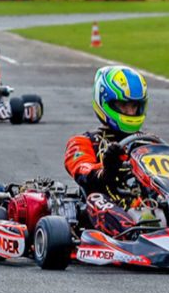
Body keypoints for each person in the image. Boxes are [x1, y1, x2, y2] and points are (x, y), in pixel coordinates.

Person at [64, 65, 151, 237]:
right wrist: (107, 168)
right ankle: (132, 234)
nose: (130, 111)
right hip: (106, 204)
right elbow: (83, 173)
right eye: (123, 105)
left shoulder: (147, 142)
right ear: (106, 103)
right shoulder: (83, 142)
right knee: (96, 200)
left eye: (134, 106)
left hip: (144, 202)